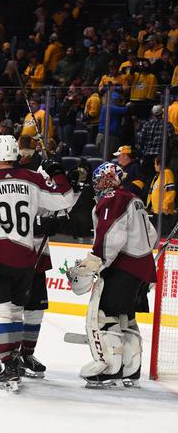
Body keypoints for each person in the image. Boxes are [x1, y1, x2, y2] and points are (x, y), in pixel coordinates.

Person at [0, 135, 75, 391]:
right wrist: (57, 172)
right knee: (17, 311)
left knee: (0, 312)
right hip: (25, 258)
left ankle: (8, 365)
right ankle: (13, 359)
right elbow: (65, 198)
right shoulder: (33, 179)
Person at [66, 162, 157, 388]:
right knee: (126, 319)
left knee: (105, 317)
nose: (96, 185)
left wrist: (94, 262)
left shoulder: (112, 199)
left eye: (98, 180)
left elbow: (110, 237)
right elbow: (152, 236)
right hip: (143, 270)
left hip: (123, 269)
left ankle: (109, 367)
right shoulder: (133, 198)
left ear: (107, 180)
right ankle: (130, 368)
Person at [147, 155, 176, 237]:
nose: (154, 166)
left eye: (155, 164)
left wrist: (165, 205)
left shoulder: (167, 173)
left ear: (160, 164)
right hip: (157, 212)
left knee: (164, 235)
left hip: (164, 212)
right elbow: (153, 192)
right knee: (157, 235)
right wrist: (150, 206)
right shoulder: (158, 176)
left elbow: (171, 191)